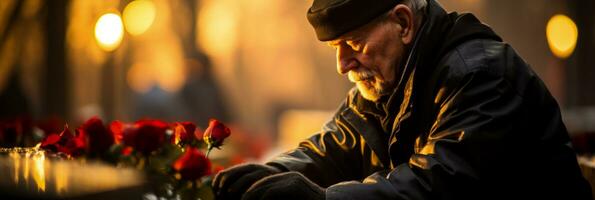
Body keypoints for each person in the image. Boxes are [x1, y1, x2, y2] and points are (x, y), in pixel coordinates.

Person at [212, 0, 593, 199]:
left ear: (404, 23)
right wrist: (269, 176)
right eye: (334, 48)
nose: (343, 64)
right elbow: (331, 149)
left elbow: (436, 187)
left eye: (353, 43)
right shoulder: (387, 80)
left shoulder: (479, 75)